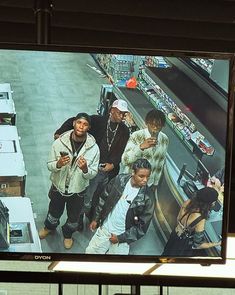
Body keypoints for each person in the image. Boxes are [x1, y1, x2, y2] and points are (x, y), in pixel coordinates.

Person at [54, 99, 130, 226]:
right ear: (111, 110)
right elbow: (75, 120)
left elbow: (121, 150)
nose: (121, 116)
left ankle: (92, 216)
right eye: (119, 113)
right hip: (91, 166)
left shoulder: (124, 130)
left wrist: (114, 163)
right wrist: (60, 132)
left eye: (123, 114)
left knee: (100, 195)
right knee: (85, 194)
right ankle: (78, 218)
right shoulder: (98, 121)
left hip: (108, 171)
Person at [38, 113, 100, 249]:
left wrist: (85, 169)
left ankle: (67, 235)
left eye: (85, 124)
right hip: (58, 186)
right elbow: (49, 165)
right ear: (74, 123)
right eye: (79, 123)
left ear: (88, 127)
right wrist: (58, 164)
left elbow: (93, 174)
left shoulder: (94, 149)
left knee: (74, 216)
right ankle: (49, 227)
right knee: (54, 210)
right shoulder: (59, 142)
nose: (81, 127)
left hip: (78, 190)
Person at [85, 158, 155, 255]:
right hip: (105, 229)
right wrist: (96, 219)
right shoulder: (119, 179)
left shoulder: (148, 198)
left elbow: (142, 227)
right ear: (133, 172)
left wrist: (120, 238)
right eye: (141, 176)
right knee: (90, 256)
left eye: (148, 177)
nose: (145, 180)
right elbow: (103, 199)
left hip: (122, 237)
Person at [162, 187, 221, 257]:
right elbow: (198, 245)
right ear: (209, 203)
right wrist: (217, 243)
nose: (214, 204)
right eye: (214, 202)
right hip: (181, 246)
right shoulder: (200, 219)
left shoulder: (188, 202)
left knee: (165, 255)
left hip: (174, 235)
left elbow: (178, 219)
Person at [121, 109, 169, 190]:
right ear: (147, 123)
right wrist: (141, 147)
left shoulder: (164, 140)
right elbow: (125, 160)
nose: (155, 128)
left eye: (158, 125)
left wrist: (155, 183)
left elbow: (160, 163)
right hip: (131, 183)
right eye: (152, 125)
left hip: (147, 185)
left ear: (162, 126)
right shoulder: (137, 136)